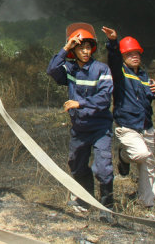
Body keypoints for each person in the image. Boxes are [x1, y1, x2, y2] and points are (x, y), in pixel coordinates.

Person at [46, 23, 115, 221]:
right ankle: (86, 199)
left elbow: (104, 99)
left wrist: (80, 103)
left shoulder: (102, 69)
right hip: (79, 129)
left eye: (88, 47)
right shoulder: (69, 69)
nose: (85, 51)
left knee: (103, 168)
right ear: (74, 50)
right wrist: (65, 47)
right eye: (80, 47)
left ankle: (107, 208)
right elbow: (52, 70)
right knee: (76, 164)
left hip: (100, 128)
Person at [102, 27, 155, 208]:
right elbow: (113, 59)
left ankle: (147, 203)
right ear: (123, 56)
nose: (134, 56)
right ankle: (124, 156)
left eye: (136, 53)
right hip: (127, 126)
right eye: (129, 54)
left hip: (146, 126)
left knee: (148, 166)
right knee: (141, 154)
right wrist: (113, 42)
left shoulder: (144, 76)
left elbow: (150, 95)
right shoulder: (120, 73)